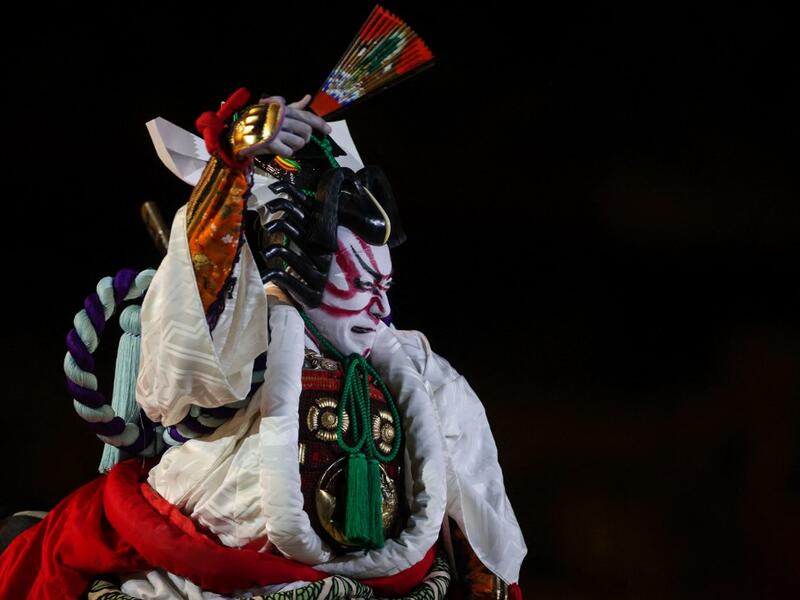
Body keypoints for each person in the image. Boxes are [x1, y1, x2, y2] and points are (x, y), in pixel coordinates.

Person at [0, 89, 526, 600]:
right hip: (213, 565)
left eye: (385, 288)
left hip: (387, 580)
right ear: (303, 271)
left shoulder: (416, 365)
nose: (381, 310)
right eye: (362, 286)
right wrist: (231, 168)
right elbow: (191, 327)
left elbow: (477, 500)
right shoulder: (248, 342)